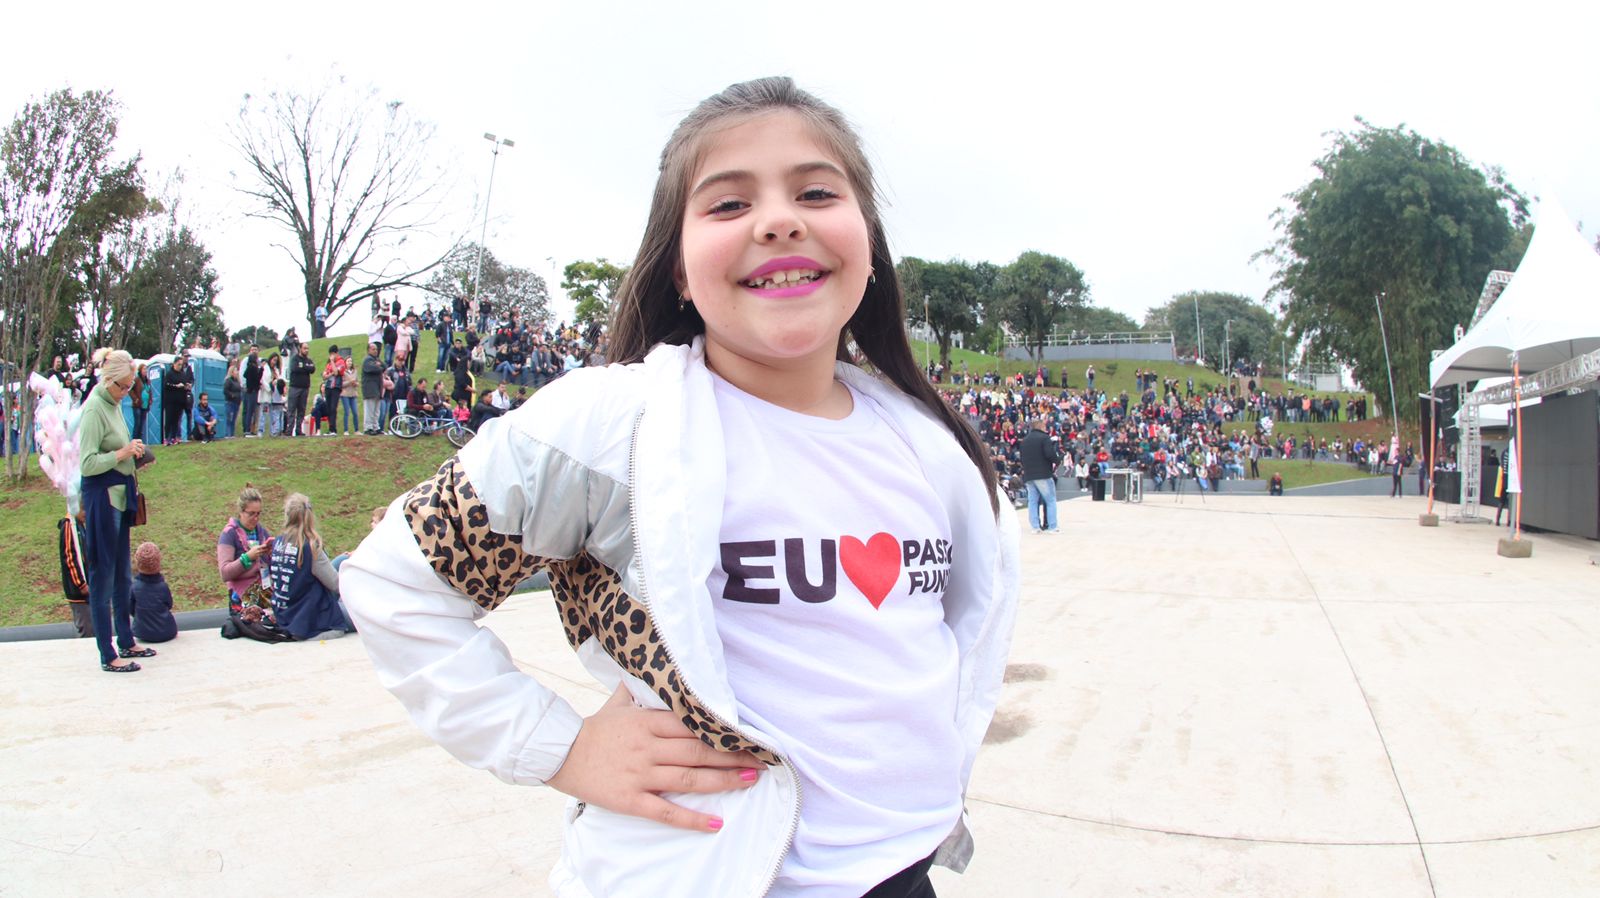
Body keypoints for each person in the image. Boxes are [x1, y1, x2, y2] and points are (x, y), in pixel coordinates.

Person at [342, 78, 1019, 898]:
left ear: (868, 244)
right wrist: (557, 745)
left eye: (815, 191)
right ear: (680, 274)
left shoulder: (931, 445)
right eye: (729, 205)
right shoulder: (611, 429)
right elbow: (392, 582)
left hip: (903, 876)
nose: (779, 219)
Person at [78, 349, 154, 672]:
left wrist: (134, 454)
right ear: (108, 381)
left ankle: (126, 638)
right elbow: (87, 462)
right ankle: (107, 653)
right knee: (103, 575)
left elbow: (116, 449)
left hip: (121, 496)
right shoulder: (94, 408)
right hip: (102, 499)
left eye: (130, 386)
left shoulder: (114, 403)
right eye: (123, 386)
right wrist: (122, 453)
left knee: (123, 572)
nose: (127, 392)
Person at [265, 493, 354, 640]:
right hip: (309, 616)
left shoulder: (278, 542)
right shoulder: (310, 547)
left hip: (284, 611)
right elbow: (336, 585)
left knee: (342, 559)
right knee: (368, 614)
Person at [218, 485, 272, 618]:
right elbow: (224, 572)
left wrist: (271, 554)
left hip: (264, 586)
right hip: (241, 592)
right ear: (241, 512)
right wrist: (247, 558)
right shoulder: (229, 534)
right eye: (251, 514)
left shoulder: (262, 532)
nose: (255, 518)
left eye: (258, 514)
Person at [131, 541, 178, 644]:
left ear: (137, 563)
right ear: (159, 562)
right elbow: (169, 604)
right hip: (167, 631)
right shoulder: (163, 586)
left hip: (142, 632)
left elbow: (131, 609)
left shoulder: (134, 587)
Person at [1019, 417, 1060, 533]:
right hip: (1043, 474)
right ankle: (1052, 526)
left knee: (1033, 501)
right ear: (1041, 426)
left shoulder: (1025, 440)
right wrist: (1057, 460)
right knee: (1050, 500)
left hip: (1029, 474)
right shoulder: (1044, 438)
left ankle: (1035, 526)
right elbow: (1049, 454)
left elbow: (1022, 458)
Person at [58, 511, 94, 638]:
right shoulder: (69, 526)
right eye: (83, 508)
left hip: (89, 588)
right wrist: (81, 584)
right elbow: (69, 558)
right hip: (79, 592)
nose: (86, 512)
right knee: (87, 631)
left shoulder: (80, 526)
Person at [161, 353, 194, 445]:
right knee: (169, 420)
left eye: (181, 365)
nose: (180, 366)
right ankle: (166, 438)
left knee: (176, 420)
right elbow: (166, 385)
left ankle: (174, 437)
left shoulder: (182, 374)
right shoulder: (169, 374)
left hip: (180, 401)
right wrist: (176, 386)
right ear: (174, 364)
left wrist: (187, 386)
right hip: (170, 401)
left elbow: (185, 383)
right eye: (178, 364)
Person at [287, 342, 315, 436]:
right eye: (304, 348)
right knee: (291, 409)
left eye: (307, 348)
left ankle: (298, 430)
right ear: (300, 348)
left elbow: (312, 369)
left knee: (301, 410)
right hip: (295, 387)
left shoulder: (309, 360)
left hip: (305, 388)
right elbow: (295, 369)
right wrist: (306, 368)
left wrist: (304, 367)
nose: (306, 350)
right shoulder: (294, 359)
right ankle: (289, 430)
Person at [361, 342, 385, 435]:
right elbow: (372, 369)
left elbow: (384, 367)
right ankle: (368, 427)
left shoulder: (376, 359)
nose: (375, 351)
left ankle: (376, 426)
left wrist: (378, 365)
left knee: (376, 410)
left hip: (377, 388)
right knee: (369, 409)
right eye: (373, 349)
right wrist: (378, 366)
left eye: (376, 349)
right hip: (369, 388)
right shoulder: (367, 360)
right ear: (368, 350)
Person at [241, 345, 263, 437]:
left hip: (248, 389)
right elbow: (257, 378)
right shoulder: (253, 368)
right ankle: (248, 430)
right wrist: (261, 369)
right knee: (250, 410)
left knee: (246, 410)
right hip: (253, 390)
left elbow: (245, 375)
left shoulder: (248, 367)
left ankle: (247, 429)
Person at [222, 359, 243, 438]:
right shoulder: (228, 381)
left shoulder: (237, 381)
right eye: (235, 371)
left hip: (236, 402)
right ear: (231, 372)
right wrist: (232, 395)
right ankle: (228, 434)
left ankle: (232, 433)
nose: (237, 372)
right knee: (229, 418)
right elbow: (225, 390)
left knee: (234, 419)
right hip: (230, 402)